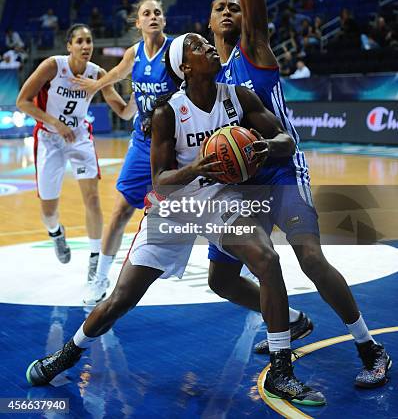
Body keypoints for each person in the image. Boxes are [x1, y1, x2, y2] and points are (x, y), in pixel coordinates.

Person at [26, 33, 325, 407]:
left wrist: (264, 148)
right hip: (175, 205)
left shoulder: (237, 98)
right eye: (199, 47)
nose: (210, 48)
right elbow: (160, 184)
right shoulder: (168, 111)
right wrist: (197, 166)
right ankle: (69, 352)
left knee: (267, 260)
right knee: (121, 299)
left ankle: (282, 371)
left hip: (218, 198)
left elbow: (286, 140)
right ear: (185, 66)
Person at [184, 0, 391, 390]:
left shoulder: (255, 48)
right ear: (207, 23)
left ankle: (370, 347)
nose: (229, 10)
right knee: (219, 279)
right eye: (219, 8)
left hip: (278, 168)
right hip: (238, 183)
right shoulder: (209, 72)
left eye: (234, 6)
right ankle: (290, 319)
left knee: (310, 259)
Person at [71, 0, 175, 304]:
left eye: (158, 12)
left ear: (164, 20)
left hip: (175, 145)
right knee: (120, 211)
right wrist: (97, 85)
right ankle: (100, 277)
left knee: (203, 209)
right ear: (138, 22)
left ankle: (243, 268)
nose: (153, 16)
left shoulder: (176, 51)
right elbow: (115, 75)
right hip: (143, 145)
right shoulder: (134, 53)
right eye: (146, 13)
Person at [16, 24, 135, 284]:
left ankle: (95, 258)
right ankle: (56, 233)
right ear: (69, 45)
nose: (86, 46)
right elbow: (22, 101)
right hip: (49, 138)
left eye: (89, 41)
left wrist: (140, 90)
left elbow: (124, 112)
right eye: (79, 41)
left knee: (92, 198)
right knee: (49, 210)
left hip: (79, 137)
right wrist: (55, 123)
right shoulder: (53, 66)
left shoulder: (97, 73)